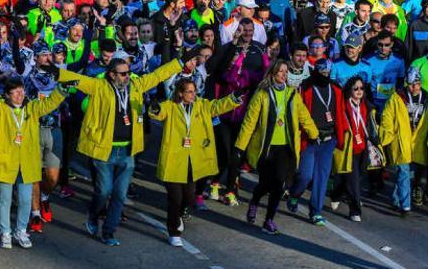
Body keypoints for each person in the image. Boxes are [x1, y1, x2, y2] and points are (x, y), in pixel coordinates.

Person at [55, 56, 183, 246]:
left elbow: (157, 75)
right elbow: (77, 79)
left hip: (127, 151)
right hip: (104, 150)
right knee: (104, 190)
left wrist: (180, 62)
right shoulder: (99, 86)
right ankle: (93, 214)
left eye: (128, 73)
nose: (127, 77)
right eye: (123, 74)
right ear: (112, 74)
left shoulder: (136, 85)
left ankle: (108, 232)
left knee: (120, 195)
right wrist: (54, 71)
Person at [150, 79, 240, 246]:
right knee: (175, 198)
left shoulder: (201, 105)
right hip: (174, 159)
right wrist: (155, 107)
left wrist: (234, 98)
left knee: (189, 198)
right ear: (180, 93)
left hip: (191, 160)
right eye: (189, 92)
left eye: (194, 91)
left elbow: (217, 106)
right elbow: (159, 112)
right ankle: (174, 230)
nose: (193, 95)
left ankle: (180, 212)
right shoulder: (171, 106)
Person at [0, 78, 67, 249]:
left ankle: (21, 230)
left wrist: (61, 90)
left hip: (27, 161)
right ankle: (5, 232)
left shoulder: (32, 107)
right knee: (5, 200)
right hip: (6, 161)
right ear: (7, 95)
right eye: (15, 91)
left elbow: (49, 104)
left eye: (22, 90)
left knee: (26, 200)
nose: (20, 94)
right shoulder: (0, 108)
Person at [235, 60, 319, 234]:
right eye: (280, 71)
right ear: (272, 74)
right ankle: (255, 201)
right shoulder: (262, 95)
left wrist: (314, 133)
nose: (283, 74)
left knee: (279, 184)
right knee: (266, 183)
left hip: (285, 147)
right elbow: (250, 122)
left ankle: (269, 220)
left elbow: (303, 116)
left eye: (285, 72)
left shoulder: (292, 95)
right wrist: (240, 146)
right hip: (267, 147)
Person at [287, 58, 348, 225]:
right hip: (310, 139)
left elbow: (341, 112)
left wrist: (340, 135)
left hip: (329, 140)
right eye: (322, 72)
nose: (325, 75)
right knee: (305, 176)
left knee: (322, 177)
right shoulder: (305, 87)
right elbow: (297, 113)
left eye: (328, 72)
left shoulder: (335, 88)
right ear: (316, 71)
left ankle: (316, 212)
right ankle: (294, 194)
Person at [380, 67, 428, 217]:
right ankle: (405, 206)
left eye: (416, 83)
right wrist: (388, 137)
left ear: (421, 82)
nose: (414, 87)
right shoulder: (397, 97)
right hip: (401, 140)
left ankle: (397, 199)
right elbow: (387, 118)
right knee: (404, 172)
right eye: (410, 84)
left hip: (417, 142)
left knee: (408, 174)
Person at [330, 76, 381, 222]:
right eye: (356, 88)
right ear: (349, 90)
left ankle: (336, 194)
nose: (359, 91)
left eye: (361, 88)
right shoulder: (344, 105)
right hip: (348, 148)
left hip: (363, 148)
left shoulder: (366, 105)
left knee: (355, 177)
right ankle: (355, 210)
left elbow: (371, 125)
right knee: (353, 182)